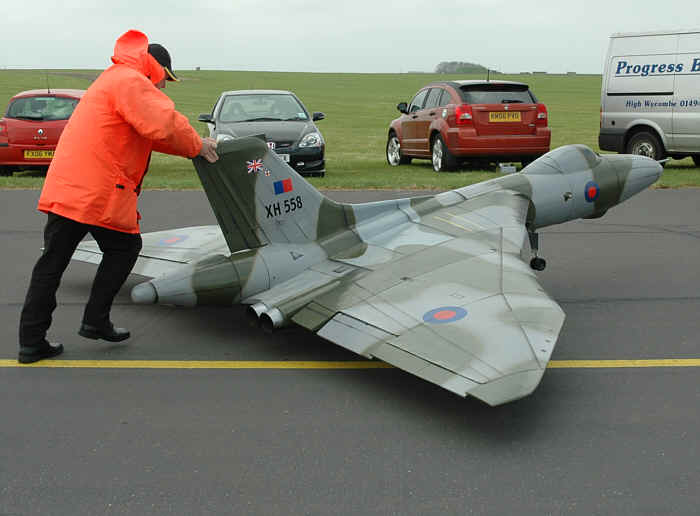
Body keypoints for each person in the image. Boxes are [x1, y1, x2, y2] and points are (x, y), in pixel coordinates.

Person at [17, 29, 218, 364]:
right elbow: (163, 124)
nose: (164, 85)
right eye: (166, 77)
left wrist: (191, 149)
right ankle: (95, 321)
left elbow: (150, 133)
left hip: (69, 187)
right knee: (125, 248)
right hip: (96, 191)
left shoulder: (113, 78)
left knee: (51, 264)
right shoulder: (131, 80)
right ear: (156, 67)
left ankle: (31, 341)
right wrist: (199, 145)